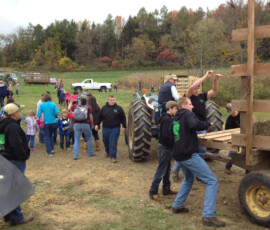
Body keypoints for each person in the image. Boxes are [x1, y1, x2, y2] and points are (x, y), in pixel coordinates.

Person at [171, 97, 225, 228]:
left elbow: (179, 133)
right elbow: (194, 124)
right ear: (184, 105)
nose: (192, 106)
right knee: (212, 181)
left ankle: (177, 206)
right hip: (188, 155)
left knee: (189, 179)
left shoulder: (176, 118)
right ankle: (208, 216)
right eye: (190, 104)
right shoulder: (188, 114)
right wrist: (207, 125)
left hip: (178, 155)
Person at [0, 103, 34, 226]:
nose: (20, 113)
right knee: (14, 189)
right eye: (19, 111)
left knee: (7, 188)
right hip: (14, 160)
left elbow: (2, 143)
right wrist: (24, 156)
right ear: (14, 113)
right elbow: (17, 145)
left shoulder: (3, 125)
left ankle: (8, 215)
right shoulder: (13, 127)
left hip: (5, 159)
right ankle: (17, 218)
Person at [149, 101, 178, 202]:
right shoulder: (167, 120)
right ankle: (153, 192)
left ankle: (166, 189)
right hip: (165, 147)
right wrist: (175, 142)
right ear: (170, 108)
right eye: (175, 109)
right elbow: (166, 136)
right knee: (161, 170)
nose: (176, 111)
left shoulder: (169, 118)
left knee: (167, 169)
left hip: (167, 147)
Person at [95, 95, 126, 163]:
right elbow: (99, 117)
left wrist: (124, 126)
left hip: (115, 128)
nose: (112, 101)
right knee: (105, 141)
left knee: (113, 142)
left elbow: (123, 118)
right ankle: (107, 151)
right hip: (106, 128)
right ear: (108, 100)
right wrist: (97, 124)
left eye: (113, 100)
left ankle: (113, 157)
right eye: (111, 100)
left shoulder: (119, 108)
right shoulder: (104, 108)